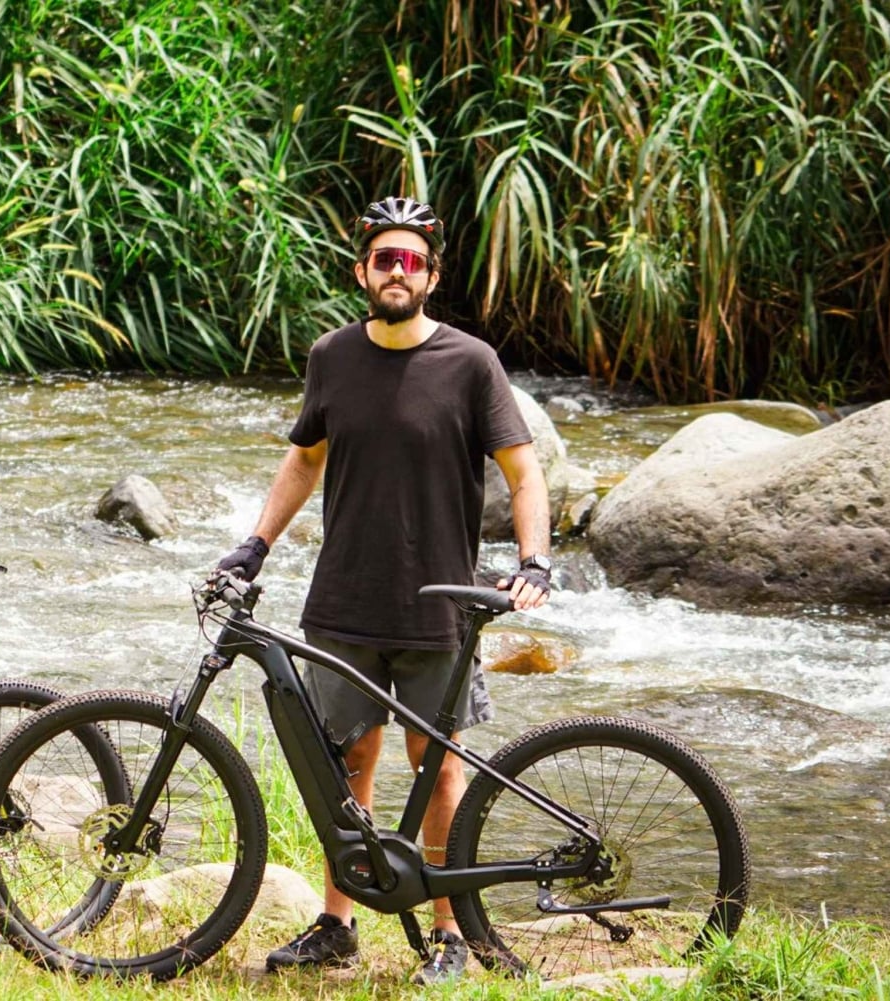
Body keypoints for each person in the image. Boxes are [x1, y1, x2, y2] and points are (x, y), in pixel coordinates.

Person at [216, 197, 553, 984]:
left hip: (438, 599)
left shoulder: (471, 363)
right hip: (345, 598)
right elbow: (305, 457)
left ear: (432, 275)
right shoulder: (332, 356)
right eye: (383, 259)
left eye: (411, 260)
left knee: (437, 766)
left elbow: (523, 470)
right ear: (361, 271)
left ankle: (448, 932)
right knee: (346, 760)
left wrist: (534, 560)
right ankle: (337, 923)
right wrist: (256, 543)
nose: (396, 272)